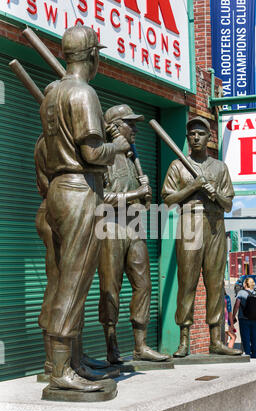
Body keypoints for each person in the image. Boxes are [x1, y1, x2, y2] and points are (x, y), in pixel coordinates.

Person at [39, 26, 130, 392]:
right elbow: (92, 153)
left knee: (61, 279)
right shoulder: (83, 93)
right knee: (73, 282)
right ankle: (61, 371)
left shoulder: (52, 94)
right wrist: (118, 147)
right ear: (93, 55)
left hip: (60, 191)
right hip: (80, 189)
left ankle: (65, 362)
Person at [161, 116, 241, 357]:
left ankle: (215, 340)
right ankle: (184, 340)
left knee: (215, 284)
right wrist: (193, 187)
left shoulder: (219, 168)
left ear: (209, 137)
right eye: (191, 134)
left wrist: (215, 192)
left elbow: (228, 205)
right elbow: (168, 199)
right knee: (187, 283)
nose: (195, 137)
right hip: (189, 223)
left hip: (216, 224)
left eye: (200, 134)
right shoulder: (178, 166)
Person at [98, 104, 170, 363]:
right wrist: (135, 195)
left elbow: (142, 205)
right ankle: (111, 346)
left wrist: (145, 198)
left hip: (134, 228)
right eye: (130, 124)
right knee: (110, 288)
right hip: (109, 228)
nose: (136, 129)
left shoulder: (130, 159)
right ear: (116, 127)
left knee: (144, 286)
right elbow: (99, 198)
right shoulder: (102, 156)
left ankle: (140, 346)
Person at [233, 277, 256, 358]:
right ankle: (255, 354)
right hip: (254, 319)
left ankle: (247, 354)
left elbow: (237, 305)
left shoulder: (241, 292)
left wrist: (233, 316)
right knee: (253, 338)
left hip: (244, 318)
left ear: (245, 284)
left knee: (245, 337)